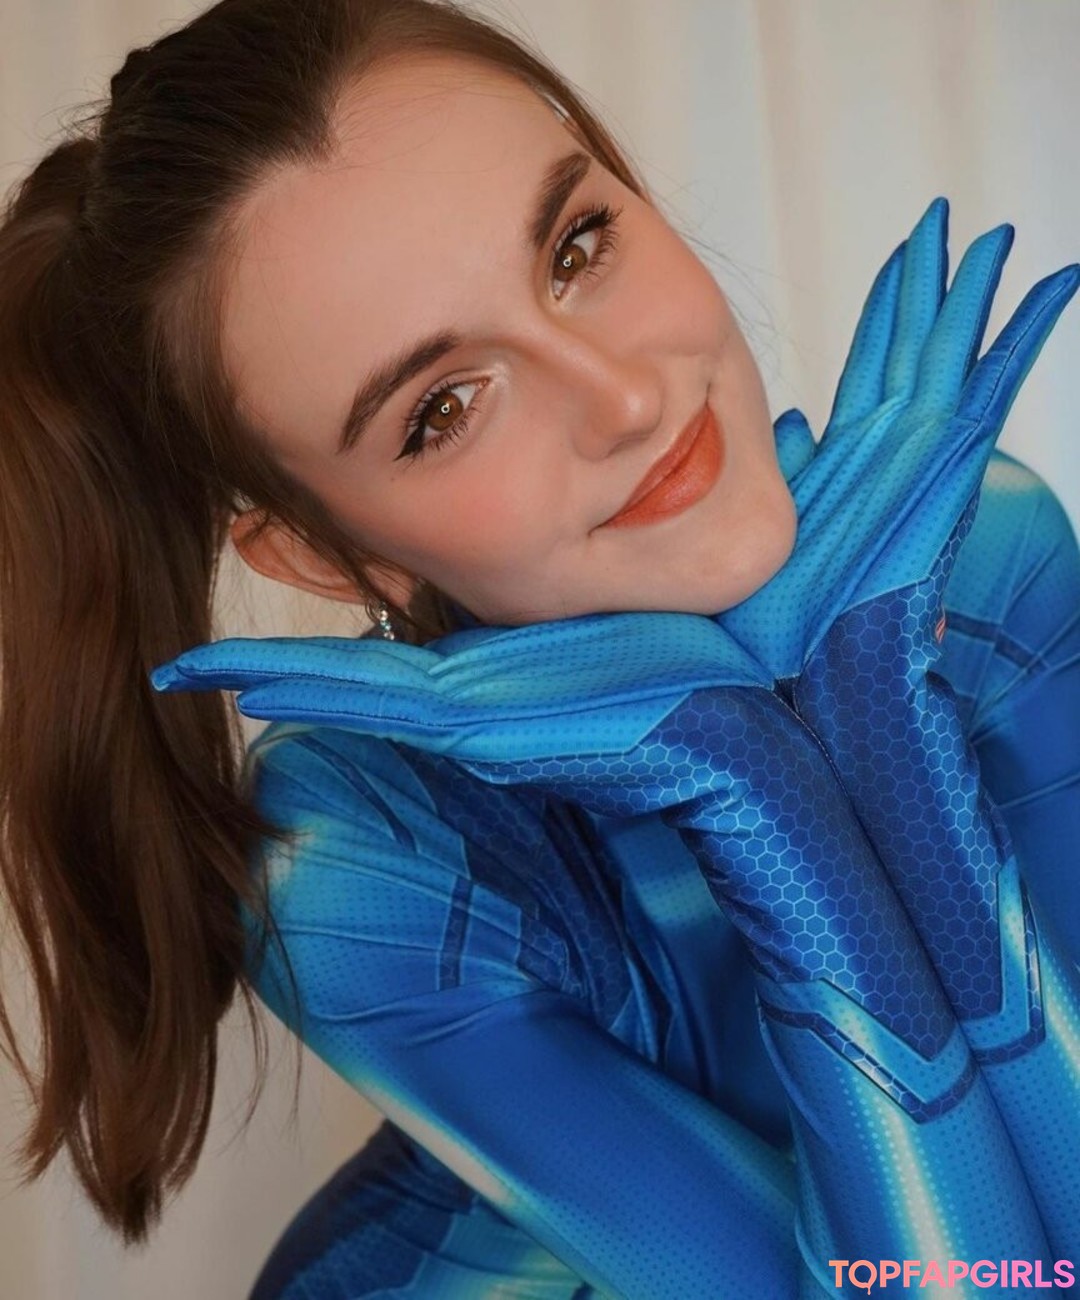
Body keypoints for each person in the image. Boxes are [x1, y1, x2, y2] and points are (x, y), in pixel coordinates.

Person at [1, 1, 1077, 1296]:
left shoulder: (974, 559)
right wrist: (762, 798)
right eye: (443, 408)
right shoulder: (365, 853)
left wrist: (882, 734)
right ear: (330, 554)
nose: (622, 395)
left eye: (577, 245)